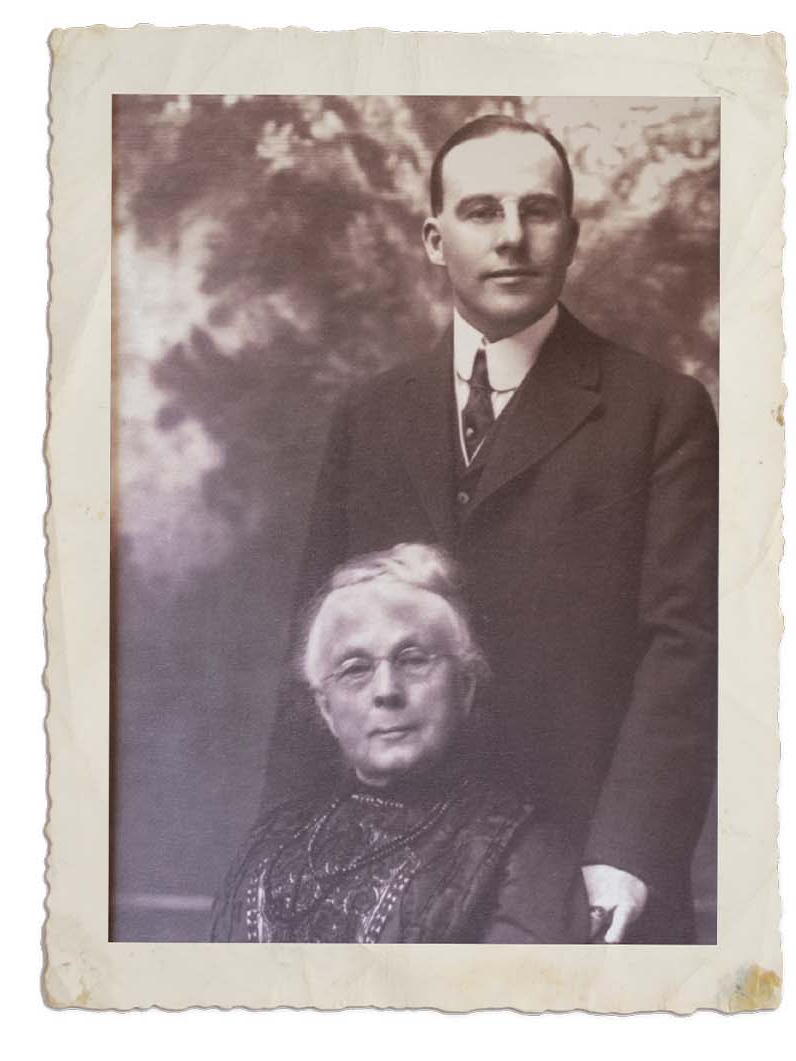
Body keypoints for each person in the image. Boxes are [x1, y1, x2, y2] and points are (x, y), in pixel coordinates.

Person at [262, 114, 718, 943]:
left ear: (572, 236)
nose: (512, 237)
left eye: (538, 211)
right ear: (435, 239)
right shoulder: (371, 414)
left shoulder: (660, 411)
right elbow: (316, 646)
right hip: (390, 868)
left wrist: (630, 850)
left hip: (582, 868)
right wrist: (282, 841)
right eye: (481, 212)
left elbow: (684, 647)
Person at [212, 544, 587, 944]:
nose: (387, 691)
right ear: (326, 708)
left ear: (464, 687)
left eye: (413, 659)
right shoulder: (276, 841)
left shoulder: (527, 854)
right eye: (355, 669)